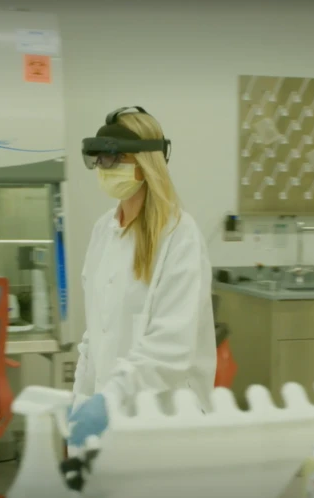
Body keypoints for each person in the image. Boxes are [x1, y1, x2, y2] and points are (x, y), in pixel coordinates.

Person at [69, 106, 216, 446]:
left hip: (166, 420)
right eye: (98, 160)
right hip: (110, 416)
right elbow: (95, 333)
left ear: (145, 163)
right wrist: (80, 399)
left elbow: (171, 348)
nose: (103, 168)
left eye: (113, 158)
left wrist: (108, 401)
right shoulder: (103, 230)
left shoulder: (179, 235)